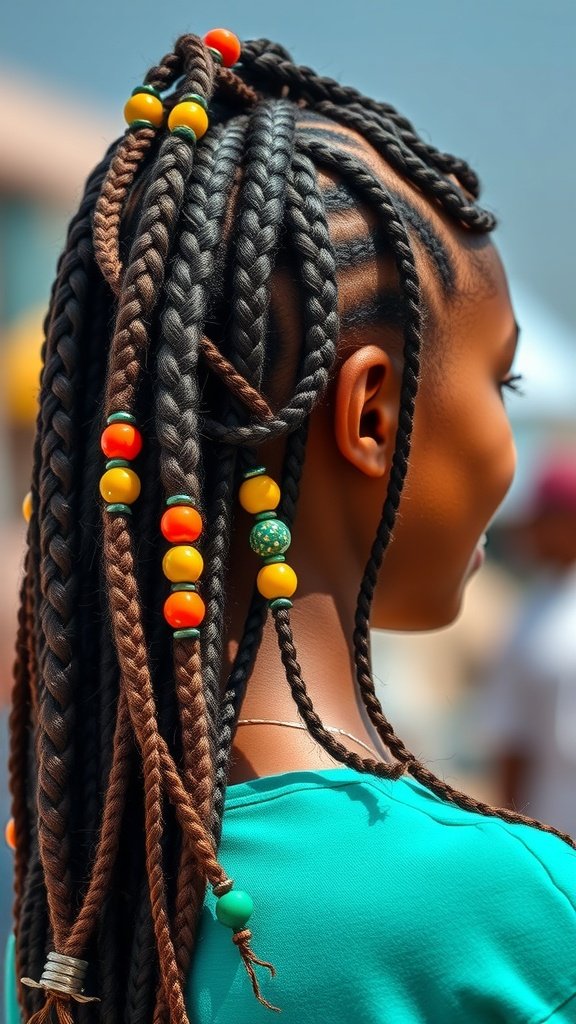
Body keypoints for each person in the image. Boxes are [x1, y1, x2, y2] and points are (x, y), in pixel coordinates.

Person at [4, 28, 576, 1024]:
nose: (508, 437)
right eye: (503, 380)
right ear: (371, 415)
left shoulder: (63, 911)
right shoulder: (514, 913)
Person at [478, 453, 576, 838]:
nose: (530, 530)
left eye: (543, 518)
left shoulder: (542, 616)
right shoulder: (536, 606)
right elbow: (511, 741)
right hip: (556, 825)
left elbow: (511, 744)